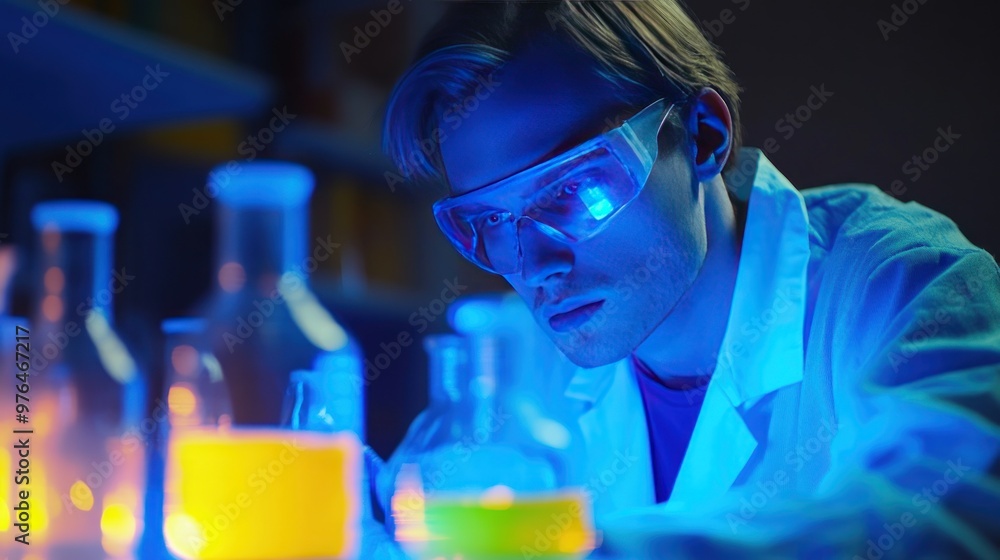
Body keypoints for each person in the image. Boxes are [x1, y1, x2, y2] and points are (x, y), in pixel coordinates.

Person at [381, 1, 1000, 557]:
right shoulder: (518, 360)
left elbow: (944, 521)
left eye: (576, 188)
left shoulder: (896, 284)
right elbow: (398, 527)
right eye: (490, 220)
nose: (537, 265)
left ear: (705, 136)